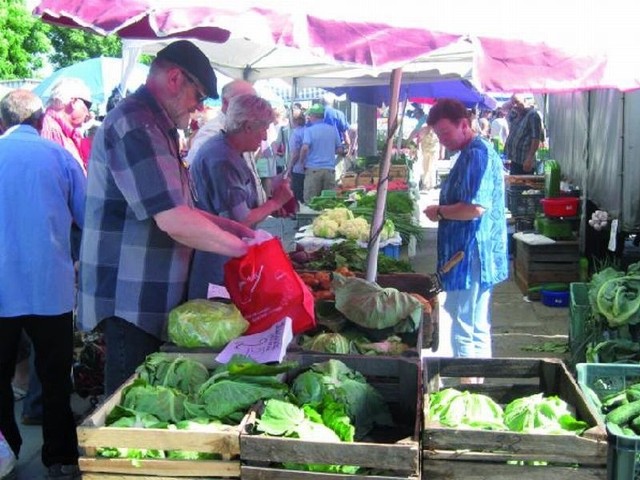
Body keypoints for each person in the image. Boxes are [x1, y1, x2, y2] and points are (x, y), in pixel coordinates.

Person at [77, 40, 255, 396]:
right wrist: (243, 249)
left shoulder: (157, 125)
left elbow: (183, 207)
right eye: (198, 95)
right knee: (130, 399)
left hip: (149, 292)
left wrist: (242, 233)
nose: (199, 106)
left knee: (149, 394)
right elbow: (173, 219)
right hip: (131, 297)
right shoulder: (136, 125)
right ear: (175, 78)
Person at [0, 89, 86, 479]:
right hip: (50, 285)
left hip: (2, 286)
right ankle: (61, 455)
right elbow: (86, 215)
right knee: (54, 377)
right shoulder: (60, 156)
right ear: (40, 121)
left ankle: (7, 450)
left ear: (3, 122)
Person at [422, 99, 508, 375]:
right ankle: (477, 388)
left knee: (464, 325)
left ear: (465, 124)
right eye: (438, 135)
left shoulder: (477, 155)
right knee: (475, 324)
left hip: (470, 254)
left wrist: (440, 212)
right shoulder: (473, 152)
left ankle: (468, 389)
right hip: (470, 253)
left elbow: (475, 208)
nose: (443, 140)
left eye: (446, 133)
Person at [188, 95, 295, 299]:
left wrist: (271, 206)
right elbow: (240, 219)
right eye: (264, 128)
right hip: (218, 261)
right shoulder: (222, 159)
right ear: (247, 126)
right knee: (218, 316)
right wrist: (274, 203)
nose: (264, 137)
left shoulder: (230, 151)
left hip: (227, 257)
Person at [185, 79, 256, 164]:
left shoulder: (241, 130)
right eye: (245, 101)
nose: (253, 106)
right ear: (225, 102)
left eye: (254, 101)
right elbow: (192, 169)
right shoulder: (213, 132)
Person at [41, 77, 93, 173]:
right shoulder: (51, 130)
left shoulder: (63, 131)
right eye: (88, 105)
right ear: (73, 102)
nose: (88, 113)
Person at [300, 104, 343, 202]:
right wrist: (328, 150)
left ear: (313, 116)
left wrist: (301, 161)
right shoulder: (333, 129)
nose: (309, 118)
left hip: (313, 169)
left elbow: (305, 148)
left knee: (311, 202)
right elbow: (340, 150)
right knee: (328, 202)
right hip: (329, 170)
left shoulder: (309, 130)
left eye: (310, 115)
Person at [504, 94, 545, 174]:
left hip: (524, 162)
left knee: (522, 186)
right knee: (514, 185)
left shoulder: (533, 115)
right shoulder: (515, 114)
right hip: (515, 159)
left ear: (525, 101)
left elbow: (536, 139)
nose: (515, 105)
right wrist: (512, 103)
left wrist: (529, 158)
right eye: (512, 103)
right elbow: (503, 108)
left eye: (517, 102)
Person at [287, 111, 307, 204]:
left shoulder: (295, 134)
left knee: (298, 194)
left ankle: (299, 213)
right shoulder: (308, 130)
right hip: (309, 166)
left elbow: (296, 153)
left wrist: (290, 166)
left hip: (298, 167)